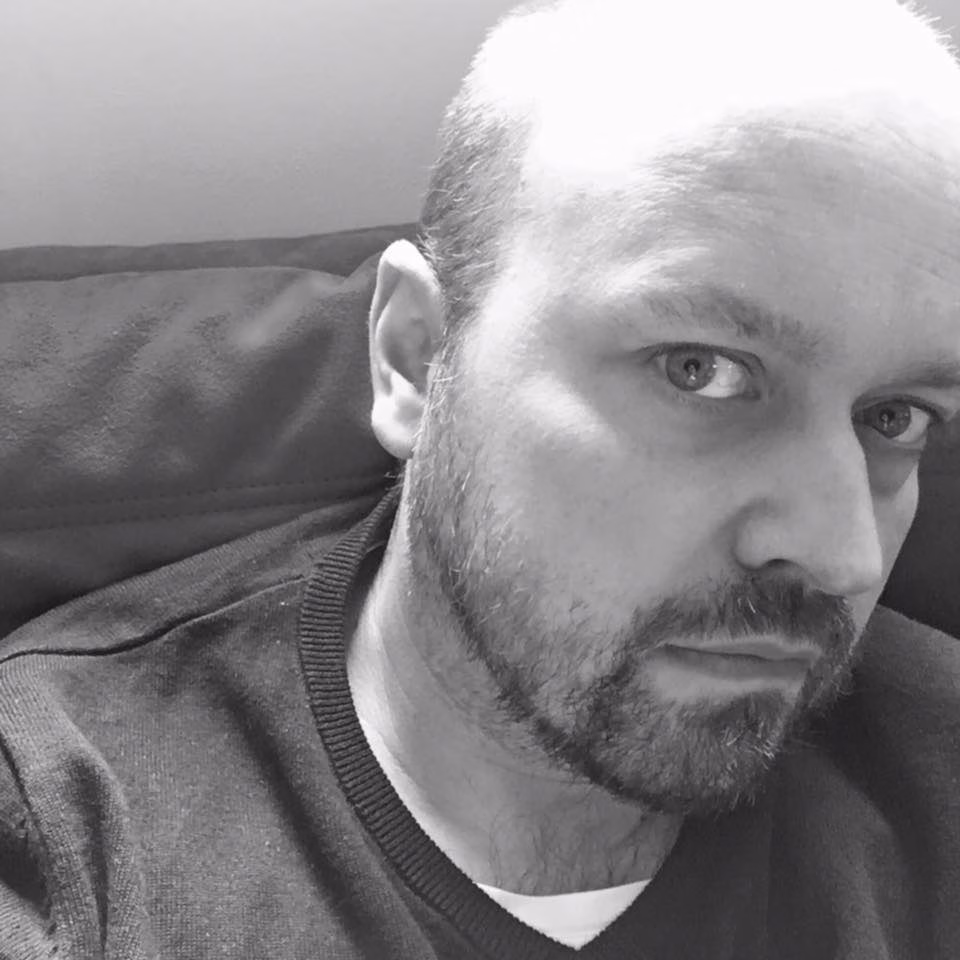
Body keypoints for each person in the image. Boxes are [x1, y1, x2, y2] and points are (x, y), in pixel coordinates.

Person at [2, 0, 959, 956]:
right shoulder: (70, 821)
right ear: (417, 357)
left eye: (896, 417)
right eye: (699, 371)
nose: (844, 555)